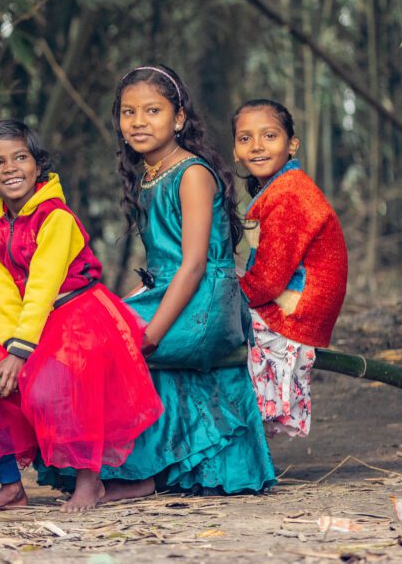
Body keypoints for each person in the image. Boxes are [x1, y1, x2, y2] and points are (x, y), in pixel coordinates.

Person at [0, 120, 162, 513]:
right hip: (28, 324)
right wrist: (11, 348)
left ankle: (89, 482)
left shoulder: (55, 216)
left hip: (77, 312)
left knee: (58, 390)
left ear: (37, 164)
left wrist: (21, 353)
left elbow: (44, 286)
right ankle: (12, 486)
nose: (10, 168)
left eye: (20, 157)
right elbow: (4, 294)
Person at [101, 65, 276, 500]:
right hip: (173, 291)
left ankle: (137, 473)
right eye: (128, 112)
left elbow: (194, 264)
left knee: (108, 344)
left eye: (152, 110)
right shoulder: (150, 173)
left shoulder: (191, 173)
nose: (138, 121)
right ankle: (147, 467)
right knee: (88, 326)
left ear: (179, 118)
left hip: (205, 303)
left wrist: (150, 333)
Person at [232, 99, 347, 436]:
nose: (256, 146)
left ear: (291, 144)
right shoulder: (281, 186)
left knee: (206, 315)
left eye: (269, 136)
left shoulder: (289, 194)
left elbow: (266, 281)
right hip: (293, 298)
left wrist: (223, 298)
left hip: (297, 310)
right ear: (235, 149)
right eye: (245, 139)